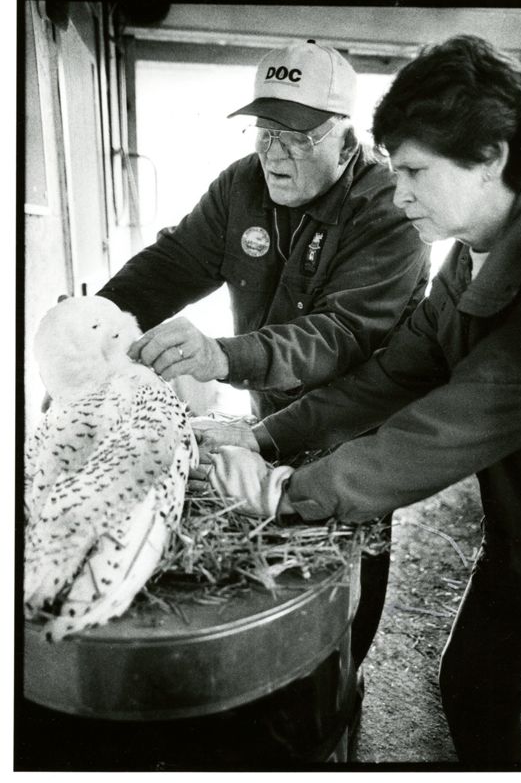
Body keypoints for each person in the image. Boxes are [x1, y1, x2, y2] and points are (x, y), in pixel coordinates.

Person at [195, 34, 521, 770]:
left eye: (414, 170)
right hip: (520, 538)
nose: (398, 189)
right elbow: (393, 375)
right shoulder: (467, 258)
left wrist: (287, 492)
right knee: (475, 686)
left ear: (492, 158)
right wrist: (267, 439)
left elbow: (446, 426)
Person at [96, 40, 430, 758]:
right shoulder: (242, 186)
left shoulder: (391, 211)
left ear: (348, 136)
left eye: (300, 136)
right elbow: (176, 260)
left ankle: (337, 693)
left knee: (342, 569)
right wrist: (98, 319)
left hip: (359, 434)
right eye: (265, 131)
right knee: (265, 565)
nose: (277, 154)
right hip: (266, 418)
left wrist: (225, 355)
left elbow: (339, 336)